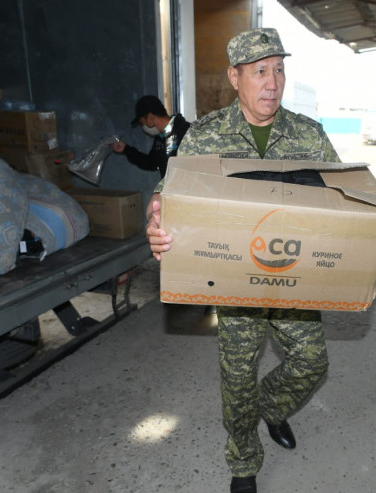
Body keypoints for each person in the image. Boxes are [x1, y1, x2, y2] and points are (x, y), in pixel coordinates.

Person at [146, 28, 341, 493]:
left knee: (312, 362)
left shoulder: (309, 134)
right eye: (260, 71)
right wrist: (156, 217)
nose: (272, 82)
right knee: (237, 377)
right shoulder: (206, 135)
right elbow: (171, 194)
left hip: (292, 275)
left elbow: (341, 196)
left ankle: (270, 407)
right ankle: (244, 462)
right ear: (235, 77)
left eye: (279, 70)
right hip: (234, 281)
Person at [111, 95, 190, 178]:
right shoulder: (161, 137)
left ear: (150, 118)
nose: (143, 127)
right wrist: (126, 149)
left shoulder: (185, 132)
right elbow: (152, 162)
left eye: (142, 123)